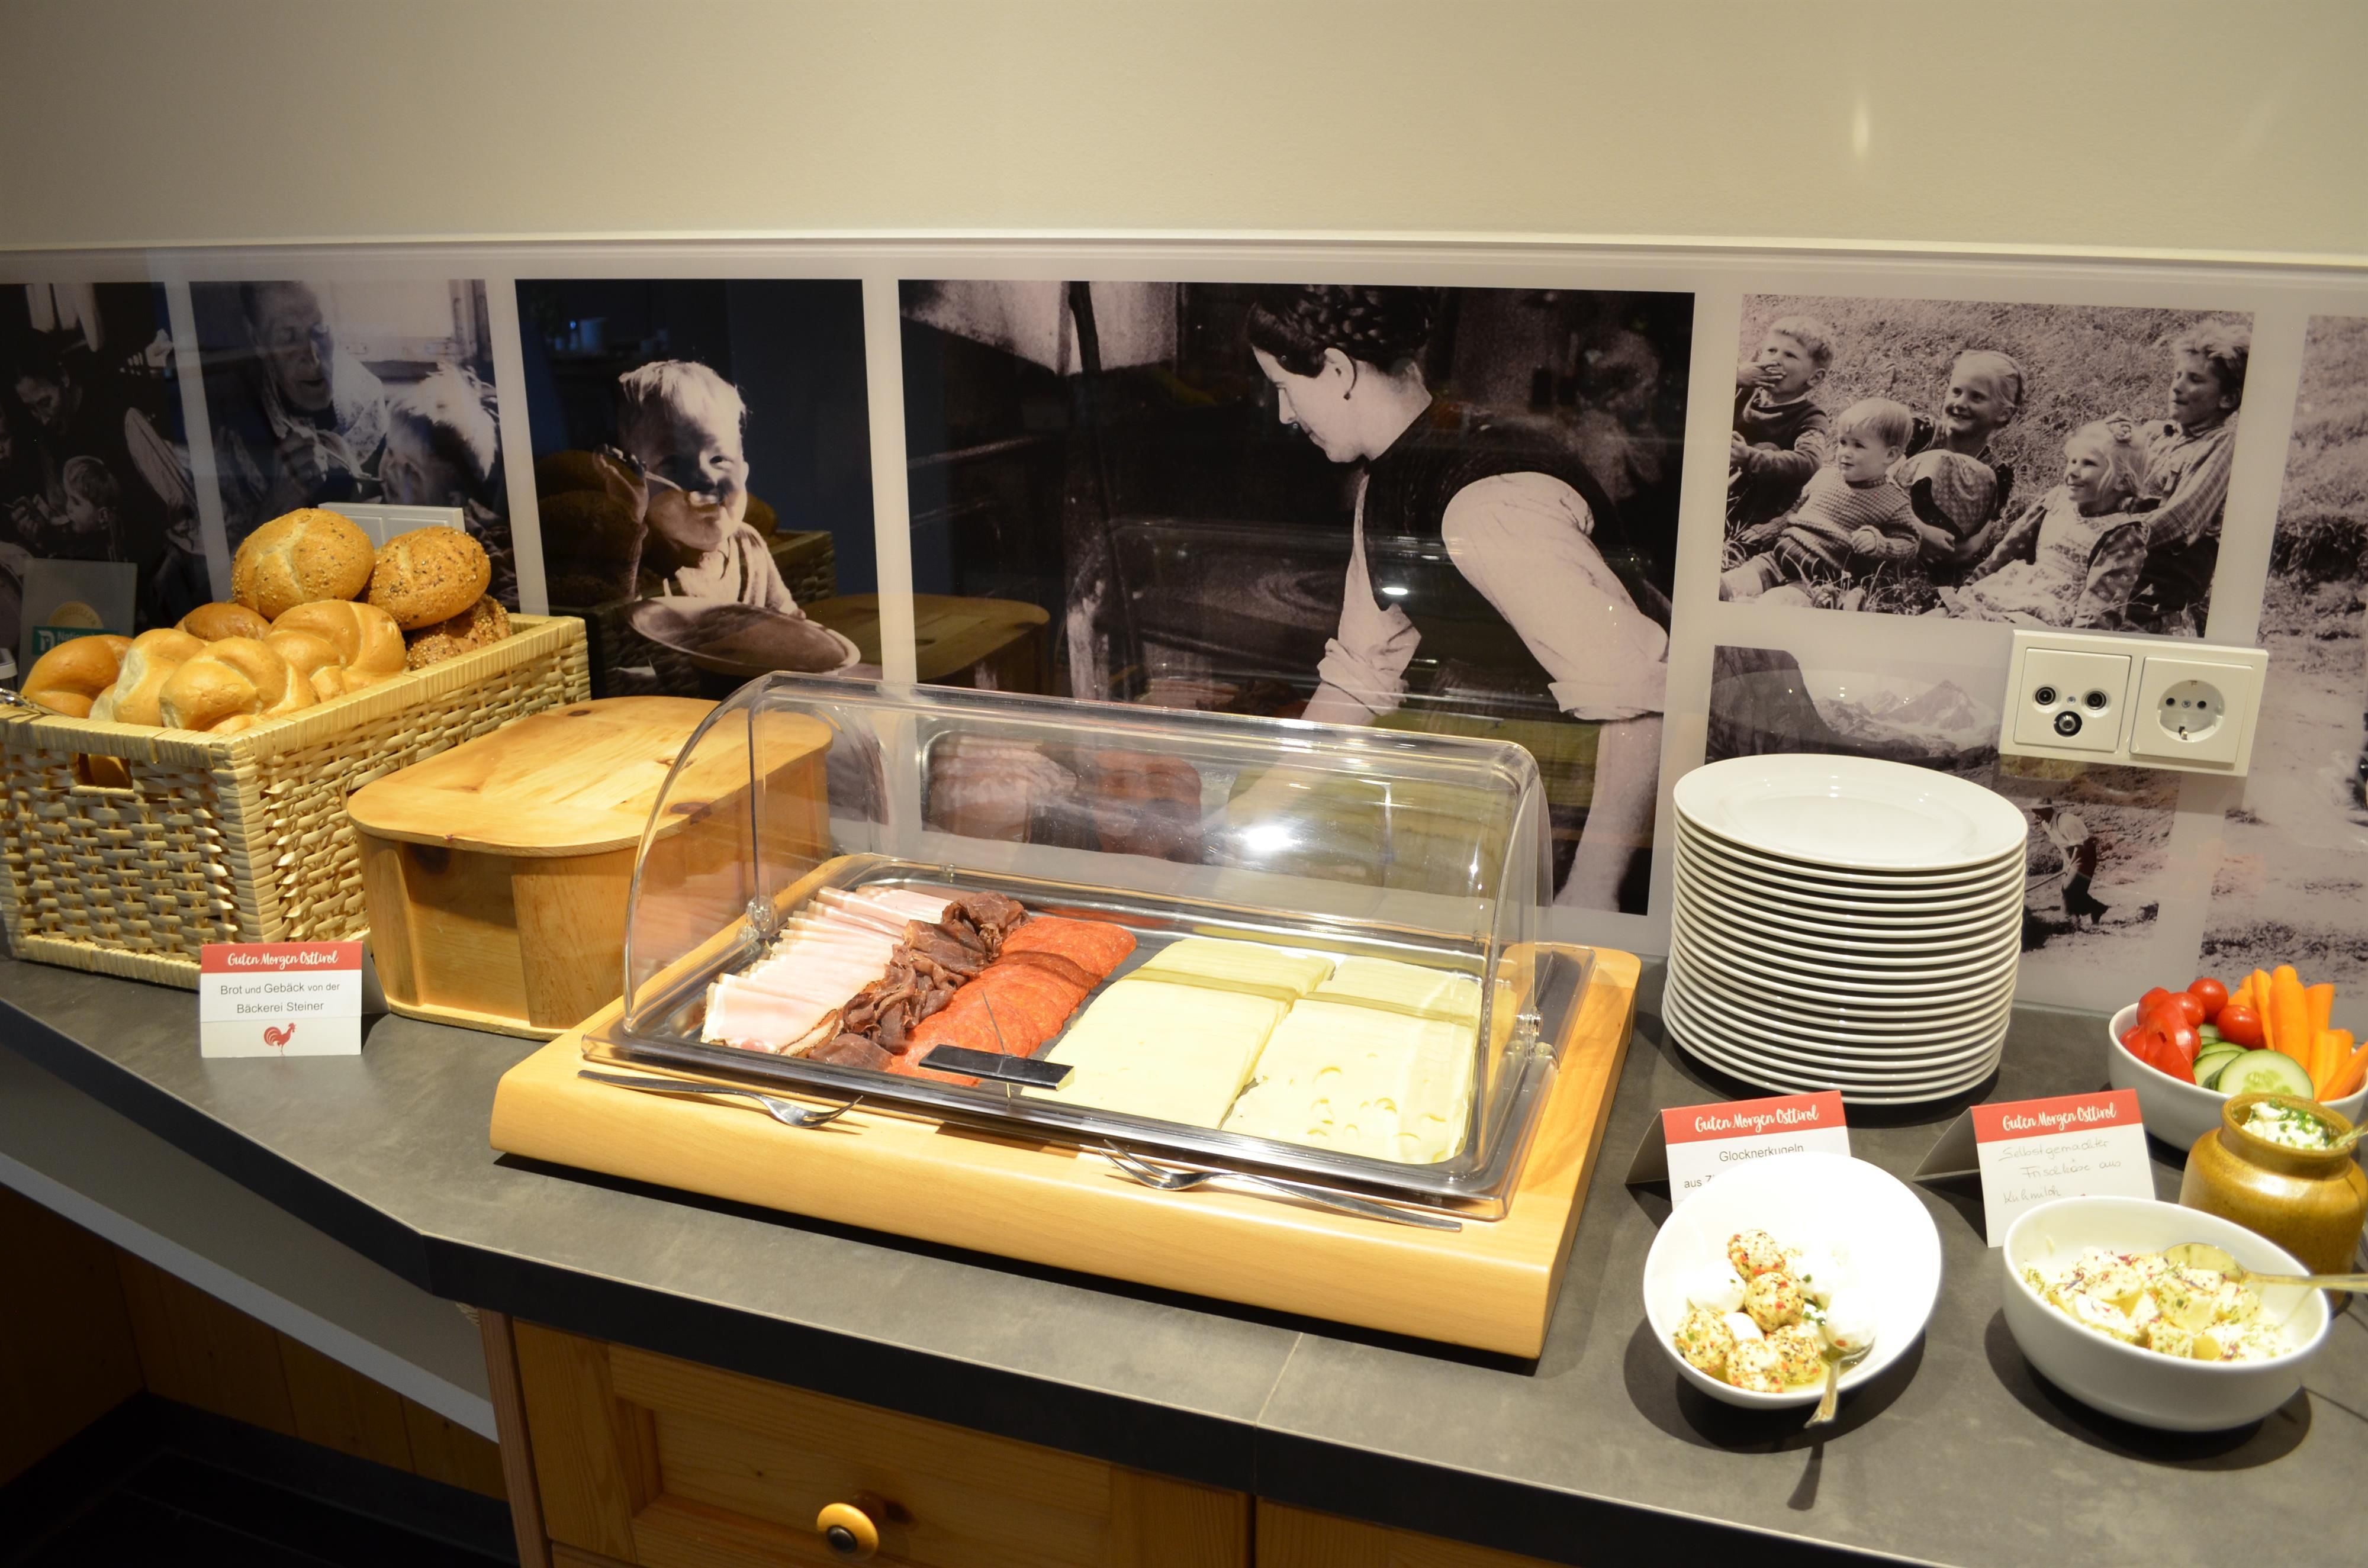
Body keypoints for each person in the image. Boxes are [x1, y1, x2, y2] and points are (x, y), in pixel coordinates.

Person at [1245, 285, 1668, 912]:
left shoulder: (1485, 506)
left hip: (1583, 783)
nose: (1283, 413)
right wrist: (1257, 807)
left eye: (1284, 387)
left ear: (1337, 371)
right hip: (1496, 758)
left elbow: (1642, 700)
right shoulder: (1390, 478)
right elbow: (1360, 676)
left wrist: (1593, 889)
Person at [209, 281, 388, 546]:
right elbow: (231, 562)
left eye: (320, 330)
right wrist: (280, 501)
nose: (313, 357)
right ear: (258, 340)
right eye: (288, 337)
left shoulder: (368, 401)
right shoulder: (233, 429)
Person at [613, 360, 797, 613]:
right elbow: (620, 620)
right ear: (637, 482)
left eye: (719, 459)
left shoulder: (749, 544)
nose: (706, 479)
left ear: (743, 472)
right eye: (675, 464)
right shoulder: (641, 562)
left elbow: (787, 618)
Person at [1941, 417, 2153, 626]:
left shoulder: (2122, 532)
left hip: (2053, 607)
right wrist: (1976, 581)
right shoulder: (2057, 501)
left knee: (1997, 630)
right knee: (1949, 614)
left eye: (2088, 463)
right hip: (2018, 585)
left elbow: (2103, 600)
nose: (2073, 472)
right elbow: (2011, 547)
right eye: (2072, 461)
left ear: (2122, 480)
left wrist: (2083, 636)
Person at [1720, 398, 1918, 600]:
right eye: (1843, 443)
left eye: (1858, 446)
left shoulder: (1895, 502)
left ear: (1890, 455)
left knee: (1776, 603)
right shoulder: (1825, 477)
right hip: (1777, 559)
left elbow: (1909, 544)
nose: (1845, 453)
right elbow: (1796, 512)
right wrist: (1769, 529)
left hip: (1818, 578)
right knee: (1727, 585)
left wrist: (1879, 544)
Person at [2125, 320, 2248, 633]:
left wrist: (2110, 535)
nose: (2177, 386)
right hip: (2120, 565)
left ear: (2227, 399)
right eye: (2177, 375)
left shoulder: (2222, 445)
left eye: (2195, 379)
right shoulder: (2155, 434)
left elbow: (2183, 520)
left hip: (2159, 587)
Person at [382, 365, 516, 606]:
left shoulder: (476, 543)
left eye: (411, 471)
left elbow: (509, 592)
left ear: (453, 501)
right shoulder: (375, 505)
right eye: (389, 452)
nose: (390, 470)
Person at [1897, 349, 2025, 576]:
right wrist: (1920, 532)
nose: (1960, 403)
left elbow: (1971, 547)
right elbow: (1878, 485)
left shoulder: (1996, 474)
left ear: (2003, 413)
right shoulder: (1920, 433)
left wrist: (1939, 555)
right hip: (1883, 526)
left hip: (1933, 559)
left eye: (1976, 397)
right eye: (1956, 392)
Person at [1727, 317, 1836, 537]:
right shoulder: (1744, 390)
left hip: (1758, 505)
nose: (1775, 360)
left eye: (1790, 355)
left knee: (1769, 448)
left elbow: (1810, 462)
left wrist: (1751, 458)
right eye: (1771, 351)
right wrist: (1734, 377)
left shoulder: (1811, 417)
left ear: (1814, 378)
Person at [2035, 804, 2108, 927]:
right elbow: (2062, 846)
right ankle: (2074, 920)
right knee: (2067, 892)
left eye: (2037, 812)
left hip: (2084, 854)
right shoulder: (2046, 824)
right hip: (2070, 855)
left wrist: (2070, 865)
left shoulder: (2066, 823)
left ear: (2046, 810)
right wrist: (2067, 862)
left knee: (2068, 890)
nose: (2036, 816)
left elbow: (2079, 847)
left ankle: (2094, 909)